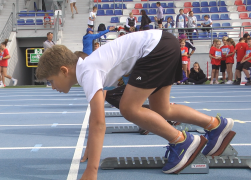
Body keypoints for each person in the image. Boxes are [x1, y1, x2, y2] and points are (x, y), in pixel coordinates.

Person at [36, 30, 234, 178]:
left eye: (51, 81)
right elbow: (97, 110)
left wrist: (91, 171)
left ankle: (183, 142)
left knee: (128, 108)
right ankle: (216, 125)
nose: (52, 86)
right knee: (161, 109)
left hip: (156, 48)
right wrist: (90, 145)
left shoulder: (87, 71)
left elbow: (99, 123)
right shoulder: (89, 66)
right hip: (165, 43)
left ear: (64, 70)